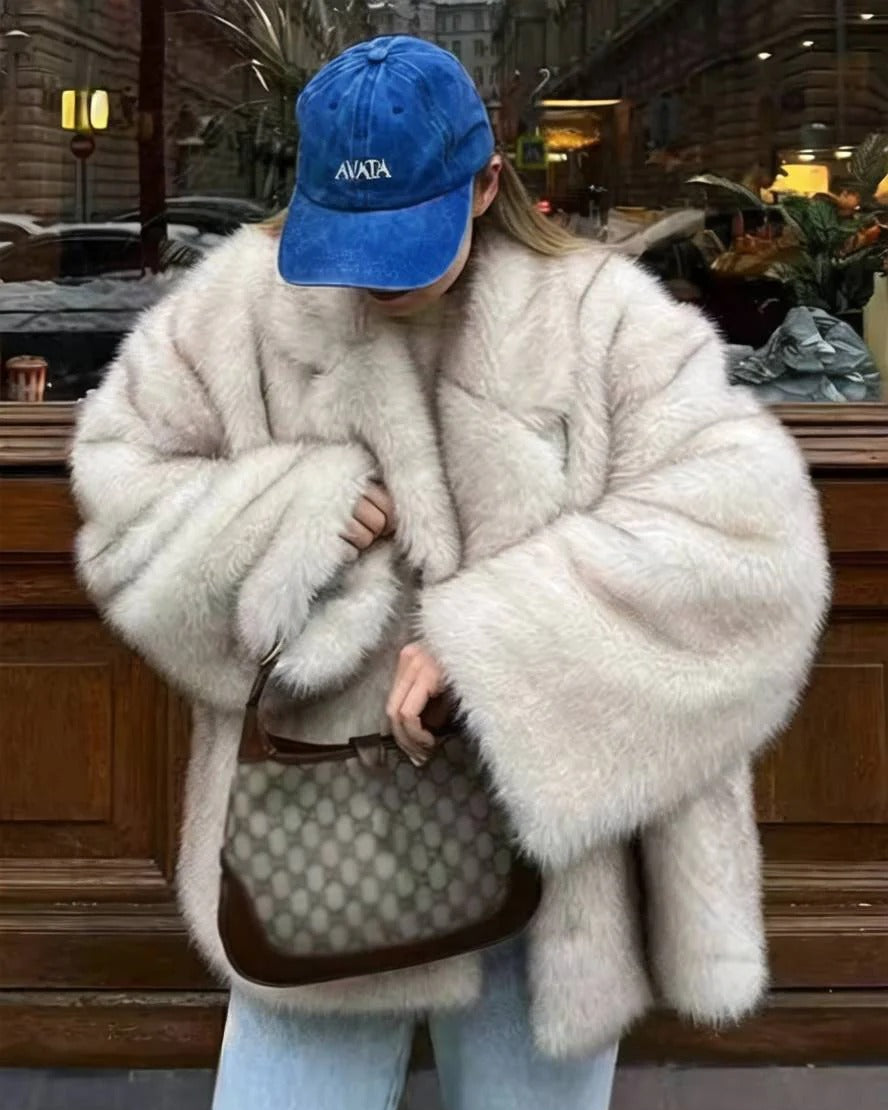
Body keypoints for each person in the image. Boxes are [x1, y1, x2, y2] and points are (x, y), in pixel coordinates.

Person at [71, 36, 829, 1110]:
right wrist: (292, 512)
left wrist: (491, 645)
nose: (374, 275)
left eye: (404, 237)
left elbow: (748, 540)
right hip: (317, 849)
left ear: (484, 183)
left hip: (551, 877)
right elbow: (124, 495)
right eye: (349, 236)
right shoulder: (238, 307)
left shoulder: (602, 317)